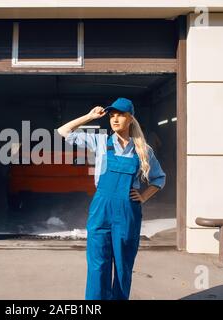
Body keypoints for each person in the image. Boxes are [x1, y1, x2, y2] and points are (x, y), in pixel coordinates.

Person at [57, 97, 166, 300]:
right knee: (98, 264)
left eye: (120, 115)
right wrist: (89, 117)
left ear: (130, 118)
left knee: (123, 265)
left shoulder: (143, 150)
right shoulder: (100, 141)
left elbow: (159, 178)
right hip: (101, 209)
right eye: (112, 115)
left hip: (127, 212)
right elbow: (63, 131)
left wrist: (143, 196)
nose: (115, 119)